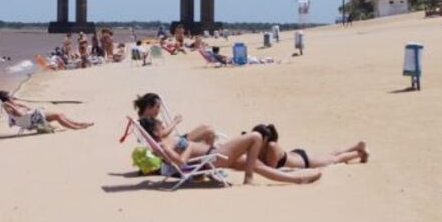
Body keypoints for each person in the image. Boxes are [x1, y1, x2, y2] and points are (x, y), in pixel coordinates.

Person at [133, 93, 320, 185]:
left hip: (212, 158)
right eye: (159, 125)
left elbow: (181, 157)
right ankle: (249, 179)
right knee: (254, 137)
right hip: (213, 157)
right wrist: (190, 147)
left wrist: (190, 147)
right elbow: (181, 161)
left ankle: (297, 180)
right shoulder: (165, 146)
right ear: (156, 132)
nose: (162, 125)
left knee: (256, 164)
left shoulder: (163, 143)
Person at [251, 123, 368, 169]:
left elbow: (270, 168)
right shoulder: (266, 147)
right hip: (297, 155)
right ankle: (356, 146)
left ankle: (359, 153)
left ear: (265, 139)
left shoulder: (271, 146)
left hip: (304, 161)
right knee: (329, 155)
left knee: (335, 159)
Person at [0, 91, 93, 130]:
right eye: (9, 95)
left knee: (60, 114)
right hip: (32, 120)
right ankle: (76, 127)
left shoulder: (13, 104)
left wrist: (16, 103)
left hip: (33, 116)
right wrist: (11, 105)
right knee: (58, 116)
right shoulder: (8, 107)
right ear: (6, 98)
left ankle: (79, 124)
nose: (11, 96)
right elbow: (19, 115)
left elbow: (27, 108)